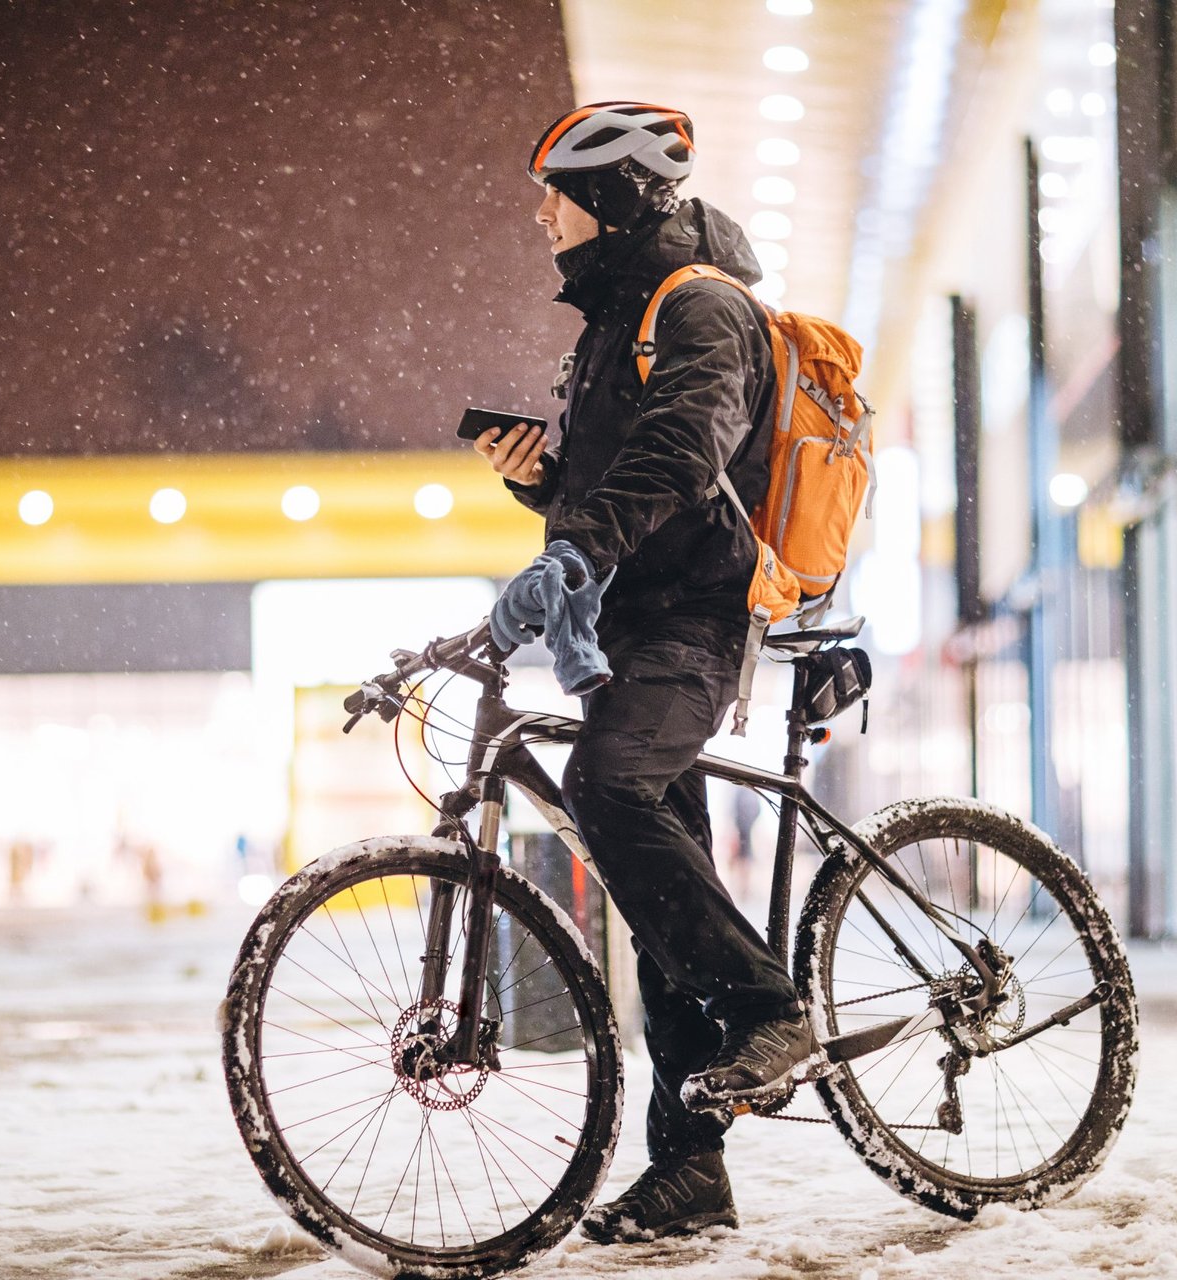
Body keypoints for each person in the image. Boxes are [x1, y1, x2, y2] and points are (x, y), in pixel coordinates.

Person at [475, 102, 825, 1244]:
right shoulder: (614, 320)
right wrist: (544, 486)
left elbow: (685, 448)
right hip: (634, 625)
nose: (541, 217)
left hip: (697, 617)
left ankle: (772, 1010)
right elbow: (627, 479)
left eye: (557, 195)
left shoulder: (701, 305)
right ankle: (690, 1169)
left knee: (608, 789)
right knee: (657, 892)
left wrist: (576, 547)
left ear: (614, 195)